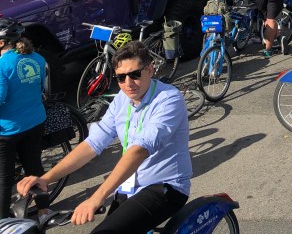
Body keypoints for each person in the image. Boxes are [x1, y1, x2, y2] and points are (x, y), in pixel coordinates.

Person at [18, 41, 191, 234]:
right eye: (121, 77)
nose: (128, 83)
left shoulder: (169, 99)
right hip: (129, 184)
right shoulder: (121, 99)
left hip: (163, 186)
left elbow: (139, 150)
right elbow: (93, 143)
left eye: (135, 74)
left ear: (150, 69)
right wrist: (46, 179)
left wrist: (97, 196)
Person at [1, 19, 46, 219]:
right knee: (34, 167)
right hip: (35, 121)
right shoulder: (37, 58)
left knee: (3, 179)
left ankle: (3, 223)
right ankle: (44, 211)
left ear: (1, 42)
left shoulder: (2, 63)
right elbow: (42, 88)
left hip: (8, 129)